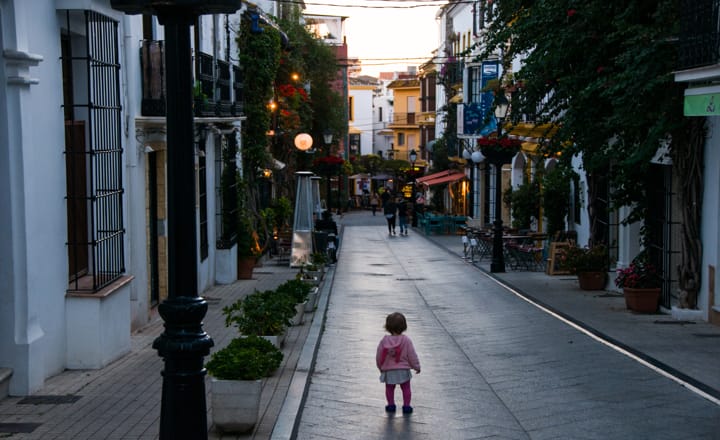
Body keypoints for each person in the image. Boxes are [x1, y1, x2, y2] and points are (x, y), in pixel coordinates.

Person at [376, 312, 421, 414]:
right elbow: (412, 355)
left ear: (387, 327)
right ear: (404, 326)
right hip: (403, 370)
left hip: (389, 370)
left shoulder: (384, 341)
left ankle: (391, 405)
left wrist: (380, 367)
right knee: (406, 388)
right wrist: (416, 366)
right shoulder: (406, 340)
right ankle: (406, 406)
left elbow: (378, 355)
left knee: (389, 388)